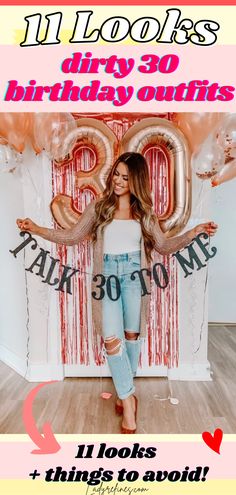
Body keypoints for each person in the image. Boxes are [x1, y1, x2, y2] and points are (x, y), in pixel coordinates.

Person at [17, 152, 218, 434]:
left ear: (137, 180)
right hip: (106, 276)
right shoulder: (100, 207)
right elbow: (73, 236)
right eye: (117, 174)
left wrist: (195, 231)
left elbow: (164, 246)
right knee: (111, 339)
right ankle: (129, 402)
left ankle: (126, 395)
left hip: (136, 275)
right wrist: (36, 229)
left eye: (126, 177)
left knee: (132, 336)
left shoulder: (145, 213)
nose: (119, 181)